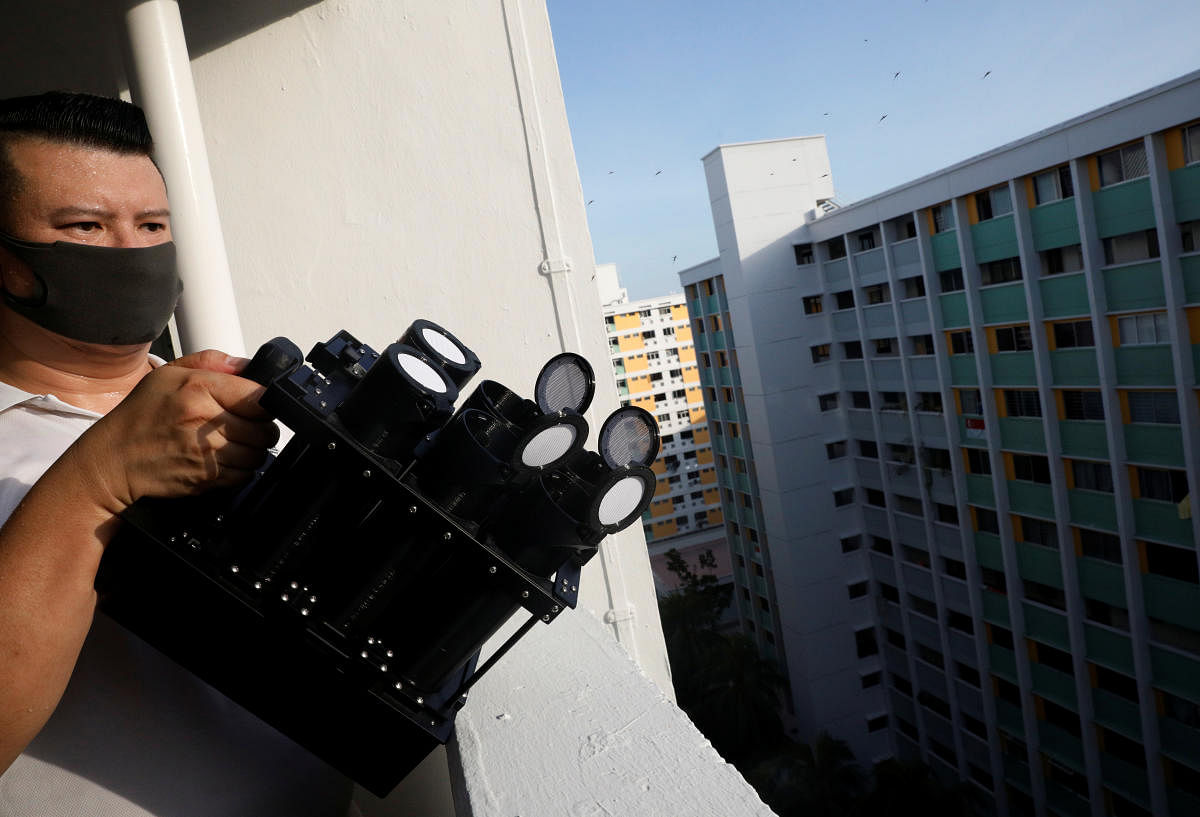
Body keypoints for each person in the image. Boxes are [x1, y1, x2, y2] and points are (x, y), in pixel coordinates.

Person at [0, 92, 353, 814]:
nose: (134, 252)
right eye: (87, 226)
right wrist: (96, 479)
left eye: (152, 224)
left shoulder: (212, 404)